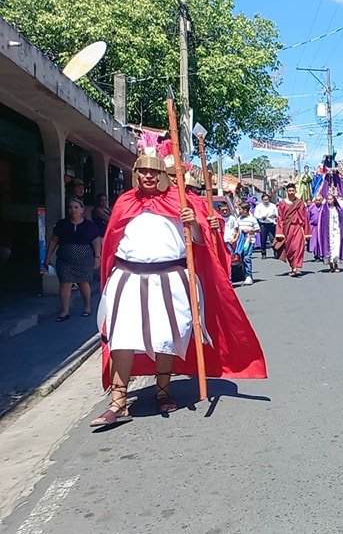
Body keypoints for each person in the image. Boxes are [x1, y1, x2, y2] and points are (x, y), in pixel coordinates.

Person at [92, 153, 267, 427]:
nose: (148, 176)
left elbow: (202, 241)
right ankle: (119, 401)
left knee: (166, 337)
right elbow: (112, 241)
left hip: (169, 278)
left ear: (162, 176)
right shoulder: (125, 202)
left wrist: (193, 222)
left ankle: (163, 391)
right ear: (136, 174)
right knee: (122, 338)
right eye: (143, 171)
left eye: (154, 172)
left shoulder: (181, 201)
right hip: (127, 278)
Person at [43, 198, 102, 321]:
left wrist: (97, 256)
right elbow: (54, 240)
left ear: (82, 209)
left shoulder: (89, 225)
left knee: (83, 283)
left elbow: (96, 241)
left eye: (76, 207)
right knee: (64, 284)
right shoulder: (62, 224)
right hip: (65, 261)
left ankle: (87, 307)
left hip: (84, 260)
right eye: (70, 207)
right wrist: (47, 257)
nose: (73, 210)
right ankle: (65, 311)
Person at [276, 182, 310, 277]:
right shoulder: (282, 203)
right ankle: (292, 266)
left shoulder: (300, 203)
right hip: (287, 228)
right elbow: (280, 218)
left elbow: (305, 217)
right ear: (287, 191)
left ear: (295, 191)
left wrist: (307, 232)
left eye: (293, 190)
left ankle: (296, 268)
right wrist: (279, 232)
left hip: (298, 227)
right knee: (290, 249)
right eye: (289, 191)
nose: (291, 192)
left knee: (298, 248)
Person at [319, 193, 343, 272]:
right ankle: (331, 265)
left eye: (331, 199)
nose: (329, 201)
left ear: (334, 200)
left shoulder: (338, 209)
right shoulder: (324, 210)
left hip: (337, 231)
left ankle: (336, 264)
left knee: (336, 247)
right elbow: (321, 222)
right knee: (329, 248)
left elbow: (341, 221)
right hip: (327, 232)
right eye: (328, 199)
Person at [235, 202, 260, 285]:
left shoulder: (252, 219)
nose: (239, 211)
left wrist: (249, 230)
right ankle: (245, 275)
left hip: (249, 240)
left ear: (245, 210)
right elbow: (236, 229)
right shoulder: (239, 219)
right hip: (240, 241)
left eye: (240, 209)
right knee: (242, 258)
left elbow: (258, 229)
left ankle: (249, 276)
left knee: (247, 257)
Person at [254, 194, 278, 259]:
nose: (266, 201)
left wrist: (275, 216)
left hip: (271, 224)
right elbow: (256, 215)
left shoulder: (273, 206)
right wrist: (261, 217)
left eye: (267, 199)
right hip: (263, 224)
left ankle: (275, 252)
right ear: (262, 200)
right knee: (263, 239)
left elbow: (277, 213)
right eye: (264, 200)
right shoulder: (259, 206)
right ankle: (263, 253)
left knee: (272, 239)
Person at [307, 197, 323, 262]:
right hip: (313, 226)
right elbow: (307, 217)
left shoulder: (323, 207)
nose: (318, 201)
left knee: (321, 241)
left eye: (319, 200)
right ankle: (316, 255)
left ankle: (321, 254)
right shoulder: (311, 208)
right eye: (316, 200)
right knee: (315, 241)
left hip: (321, 227)